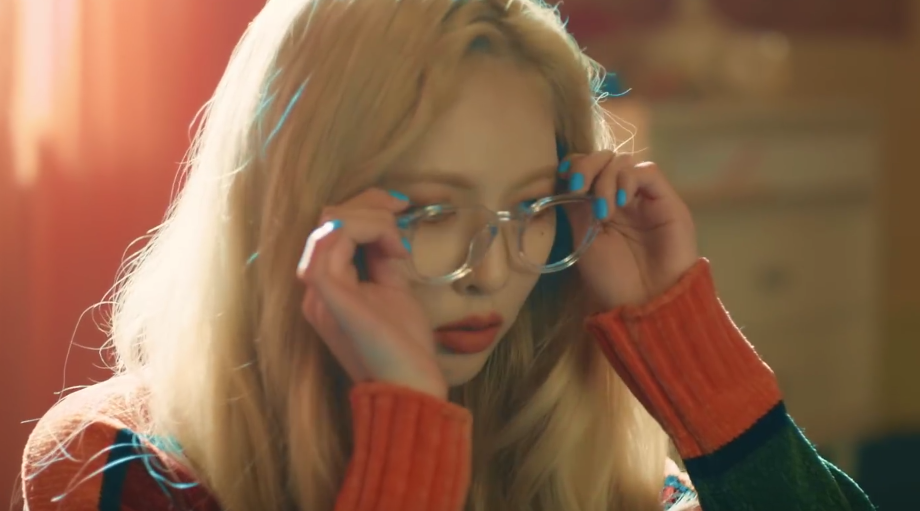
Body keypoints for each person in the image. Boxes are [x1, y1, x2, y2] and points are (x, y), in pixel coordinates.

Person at [20, 0, 876, 510]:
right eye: (430, 211)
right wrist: (406, 429)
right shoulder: (118, 464)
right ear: (294, 213)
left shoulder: (581, 457)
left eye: (533, 207)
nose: (494, 271)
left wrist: (685, 338)